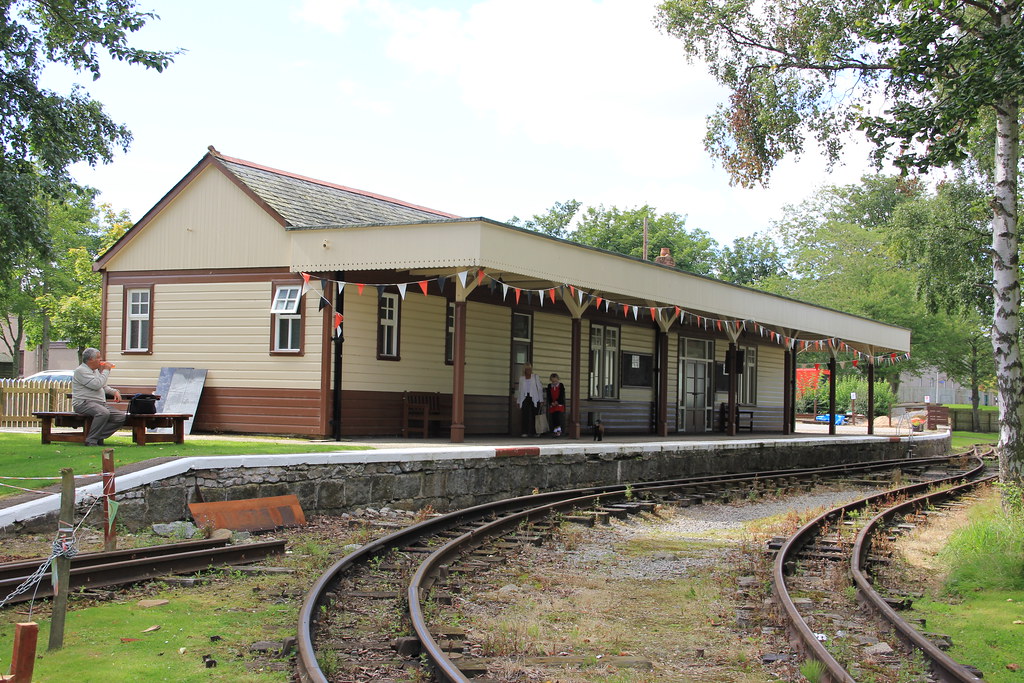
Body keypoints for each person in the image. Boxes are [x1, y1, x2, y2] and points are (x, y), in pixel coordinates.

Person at [72, 348, 125, 446]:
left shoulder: (95, 371)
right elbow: (96, 384)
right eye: (98, 357)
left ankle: (98, 437)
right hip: (84, 403)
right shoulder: (81, 371)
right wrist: (106, 370)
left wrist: (114, 392)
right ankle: (91, 441)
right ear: (90, 359)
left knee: (120, 417)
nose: (100, 360)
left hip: (99, 404)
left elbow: (103, 386)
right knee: (103, 413)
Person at [515, 363, 544, 437]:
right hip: (525, 397)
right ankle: (525, 432)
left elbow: (539, 388)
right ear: (524, 370)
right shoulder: (521, 378)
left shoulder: (535, 377)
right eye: (527, 369)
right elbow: (520, 390)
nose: (529, 370)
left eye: (530, 369)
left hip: (535, 397)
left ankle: (536, 431)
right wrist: (518, 401)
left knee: (535, 415)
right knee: (525, 415)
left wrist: (541, 400)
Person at [545, 373, 567, 437]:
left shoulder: (561, 385)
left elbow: (561, 394)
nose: (554, 383)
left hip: (559, 404)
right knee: (553, 417)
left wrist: (557, 401)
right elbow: (549, 395)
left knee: (557, 416)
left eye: (555, 381)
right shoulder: (550, 386)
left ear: (558, 379)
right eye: (553, 381)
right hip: (552, 404)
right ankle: (555, 429)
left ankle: (558, 430)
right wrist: (551, 402)